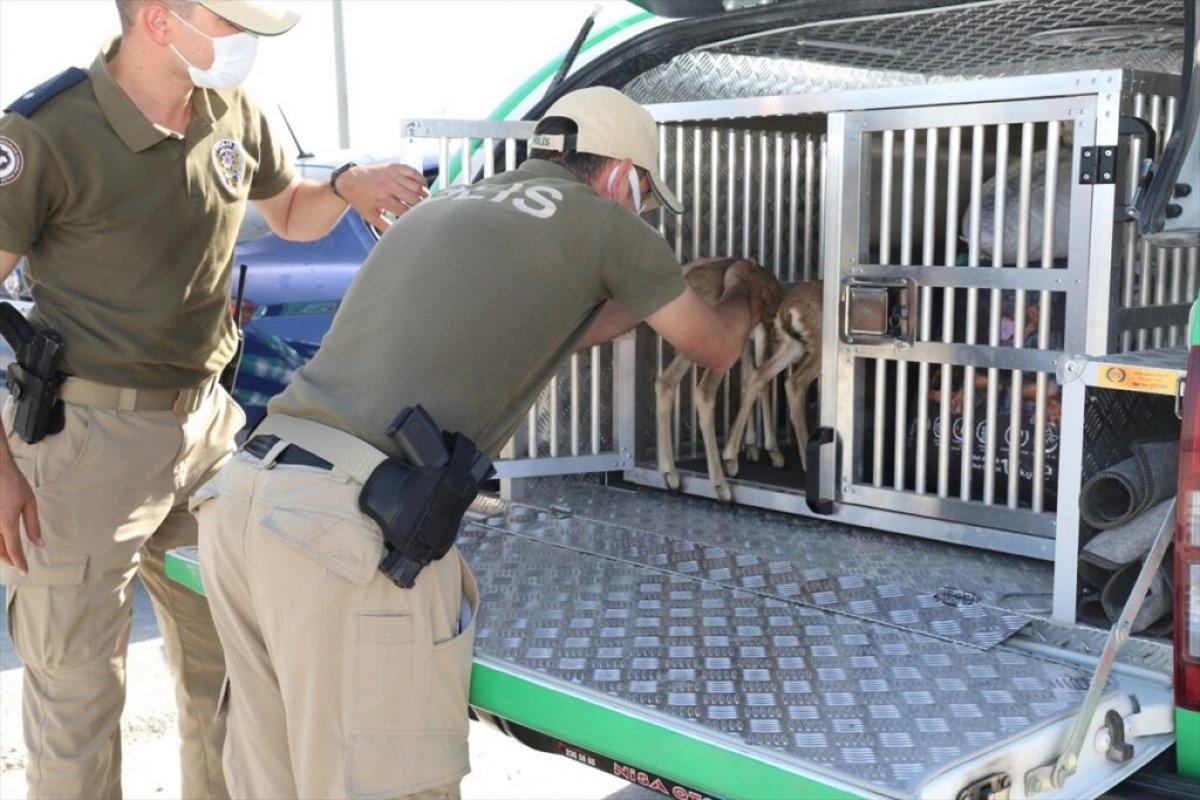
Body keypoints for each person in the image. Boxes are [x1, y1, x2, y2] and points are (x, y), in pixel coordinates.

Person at [194, 85, 774, 799]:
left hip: (246, 498)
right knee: (391, 785)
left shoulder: (447, 204)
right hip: (341, 535)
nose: (642, 214)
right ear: (623, 175)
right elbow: (715, 346)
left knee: (272, 782)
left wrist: (653, 295)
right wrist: (748, 289)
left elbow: (554, 323)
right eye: (646, 198)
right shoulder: (605, 223)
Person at [0, 1, 429, 797]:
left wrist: (345, 184)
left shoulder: (233, 110)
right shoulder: (43, 131)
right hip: (87, 443)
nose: (249, 43)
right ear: (161, 19)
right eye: (231, 22)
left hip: (208, 434)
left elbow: (290, 212)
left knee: (232, 683)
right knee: (78, 704)